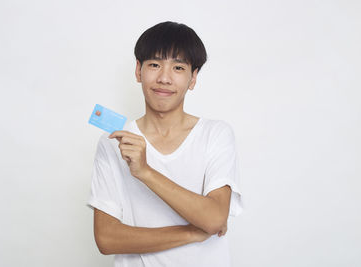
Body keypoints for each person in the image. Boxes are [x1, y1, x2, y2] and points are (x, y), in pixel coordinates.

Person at [87, 21, 244, 267]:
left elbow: (214, 219)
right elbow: (106, 239)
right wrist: (192, 233)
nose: (164, 78)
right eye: (154, 65)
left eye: (178, 67)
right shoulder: (114, 142)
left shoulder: (215, 134)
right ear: (138, 71)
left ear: (193, 78)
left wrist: (145, 172)